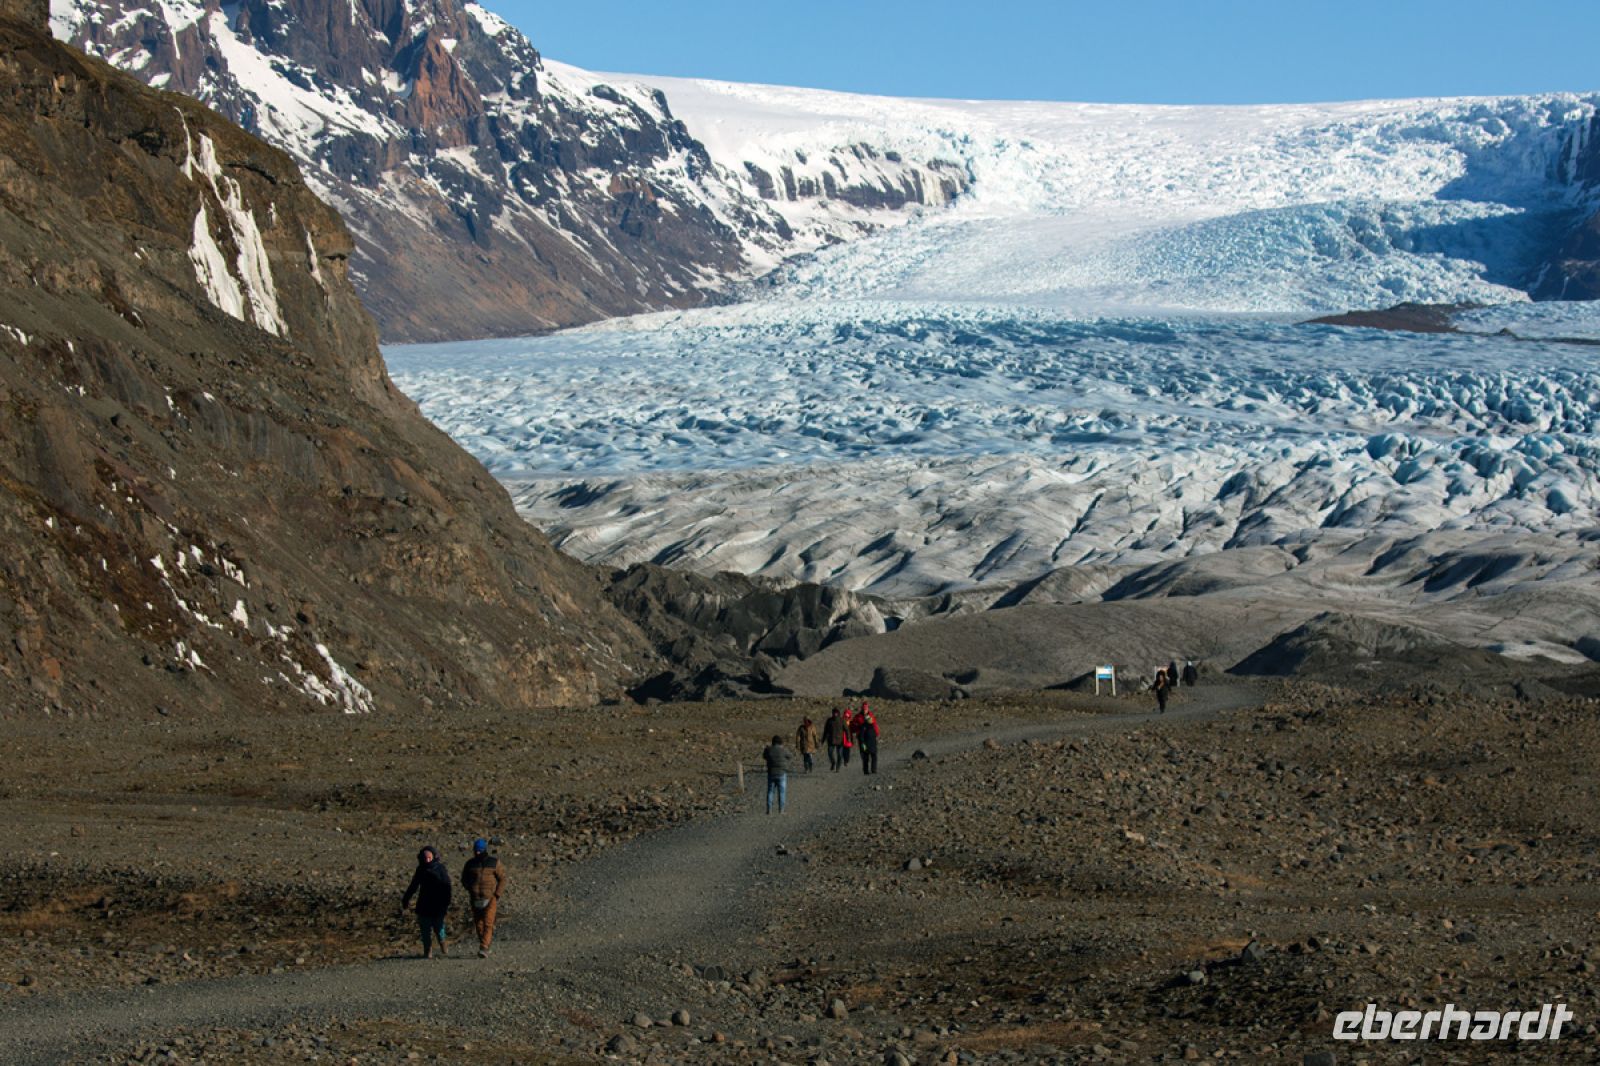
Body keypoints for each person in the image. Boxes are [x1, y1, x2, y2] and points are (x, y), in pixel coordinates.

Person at [399, 845, 451, 959]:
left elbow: (447, 886)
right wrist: (406, 898)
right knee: (425, 929)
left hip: (437, 904)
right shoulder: (420, 869)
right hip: (424, 904)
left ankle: (442, 942)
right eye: (425, 858)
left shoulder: (440, 869)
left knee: (439, 927)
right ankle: (428, 950)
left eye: (429, 858)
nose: (427, 860)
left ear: (434, 857)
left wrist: (446, 902)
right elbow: (414, 885)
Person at [460, 838, 507, 957]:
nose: (477, 853)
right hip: (475, 898)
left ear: (484, 850)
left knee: (488, 923)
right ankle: (485, 944)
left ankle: (484, 947)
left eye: (479, 850)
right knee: (479, 924)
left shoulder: (494, 862)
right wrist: (470, 889)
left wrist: (497, 894)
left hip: (490, 898)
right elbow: (464, 879)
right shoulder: (470, 864)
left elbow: (502, 878)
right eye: (476, 850)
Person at [763, 734, 793, 814]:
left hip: (771, 773)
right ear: (780, 742)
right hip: (781, 773)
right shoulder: (783, 750)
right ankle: (781, 810)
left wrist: (767, 749)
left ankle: (769, 810)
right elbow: (790, 756)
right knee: (782, 792)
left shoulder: (769, 750)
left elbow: (764, 756)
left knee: (770, 791)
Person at [854, 703, 880, 774]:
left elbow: (875, 725)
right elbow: (854, 725)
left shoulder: (871, 716)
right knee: (864, 755)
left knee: (872, 755)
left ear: (867, 709)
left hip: (871, 739)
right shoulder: (858, 716)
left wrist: (876, 733)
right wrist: (857, 730)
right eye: (864, 708)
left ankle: (873, 770)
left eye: (866, 708)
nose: (865, 710)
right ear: (862, 708)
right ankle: (866, 770)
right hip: (862, 738)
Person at [822, 707, 847, 772]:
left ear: (838, 713)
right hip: (831, 740)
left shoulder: (842, 720)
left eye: (836, 713)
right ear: (832, 713)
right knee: (830, 753)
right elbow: (825, 731)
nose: (835, 714)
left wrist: (848, 739)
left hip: (840, 740)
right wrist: (823, 739)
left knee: (839, 755)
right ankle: (833, 762)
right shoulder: (829, 720)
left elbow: (847, 730)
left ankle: (838, 767)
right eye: (834, 713)